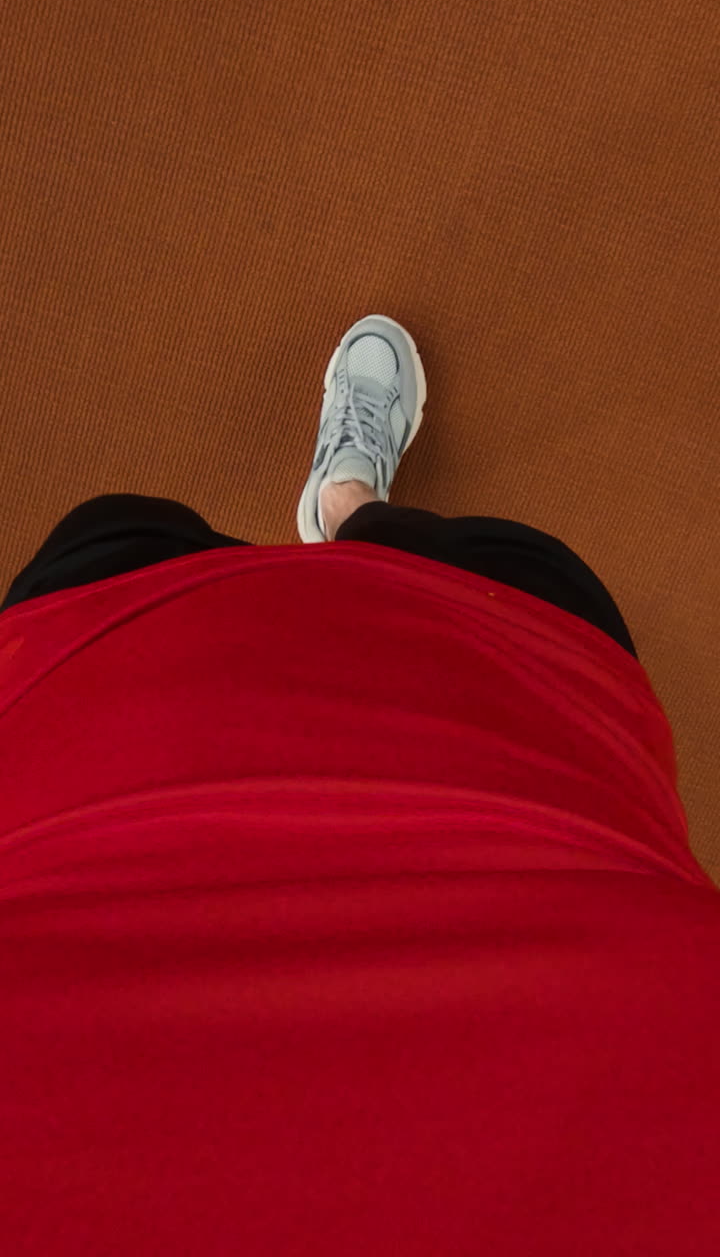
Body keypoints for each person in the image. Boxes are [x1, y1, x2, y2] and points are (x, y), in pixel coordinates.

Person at [0, 314, 718, 1255]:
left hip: (91, 791)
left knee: (118, 537)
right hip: (532, 810)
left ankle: (337, 523)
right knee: (517, 573)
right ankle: (349, 514)